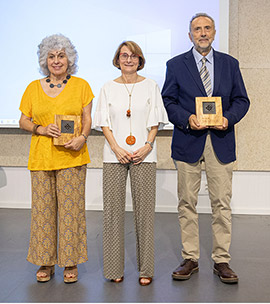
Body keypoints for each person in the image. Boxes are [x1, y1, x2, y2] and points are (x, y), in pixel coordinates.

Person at [162, 13, 250, 284]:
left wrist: (228, 118)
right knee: (186, 202)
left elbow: (241, 100)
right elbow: (169, 100)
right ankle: (190, 257)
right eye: (197, 29)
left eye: (207, 28)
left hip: (220, 142)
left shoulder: (229, 64)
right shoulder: (176, 65)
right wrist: (186, 118)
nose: (202, 33)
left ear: (213, 33)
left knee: (221, 203)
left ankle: (221, 260)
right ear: (190, 35)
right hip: (188, 140)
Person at [19, 34, 94, 283]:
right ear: (44, 60)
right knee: (43, 212)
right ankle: (45, 261)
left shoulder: (81, 85)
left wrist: (82, 137)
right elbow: (23, 120)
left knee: (70, 212)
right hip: (41, 158)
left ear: (69, 58)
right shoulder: (32, 87)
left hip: (72, 157)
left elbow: (87, 119)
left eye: (61, 55)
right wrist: (40, 129)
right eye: (51, 56)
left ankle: (70, 262)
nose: (56, 60)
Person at [93, 41, 168, 286]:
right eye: (124, 55)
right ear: (117, 59)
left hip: (144, 154)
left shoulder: (151, 85)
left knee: (145, 213)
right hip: (113, 154)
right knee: (112, 214)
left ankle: (146, 269)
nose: (128, 59)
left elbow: (155, 119)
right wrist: (116, 148)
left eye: (133, 56)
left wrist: (147, 146)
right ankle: (114, 268)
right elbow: (104, 122)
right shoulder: (107, 87)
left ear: (140, 59)